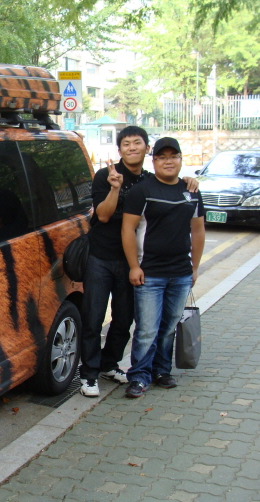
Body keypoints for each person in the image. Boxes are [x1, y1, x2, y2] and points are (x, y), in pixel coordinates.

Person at [79, 126, 199, 398]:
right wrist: (114, 188)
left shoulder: (149, 179)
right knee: (93, 318)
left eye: (137, 143)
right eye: (126, 144)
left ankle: (109, 363)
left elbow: (173, 186)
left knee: (124, 319)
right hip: (101, 256)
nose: (132, 148)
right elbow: (103, 216)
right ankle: (88, 374)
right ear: (119, 149)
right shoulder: (106, 175)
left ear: (147, 149)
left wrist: (189, 181)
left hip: (133, 261)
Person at [121, 137, 205, 398]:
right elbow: (127, 229)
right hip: (150, 273)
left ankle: (162, 371)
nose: (168, 161)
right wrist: (134, 266)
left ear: (180, 159)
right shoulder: (142, 191)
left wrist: (194, 267)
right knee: (147, 329)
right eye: (162, 157)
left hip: (180, 273)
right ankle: (139, 376)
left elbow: (198, 230)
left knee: (169, 327)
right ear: (154, 160)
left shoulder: (191, 191)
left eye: (173, 156)